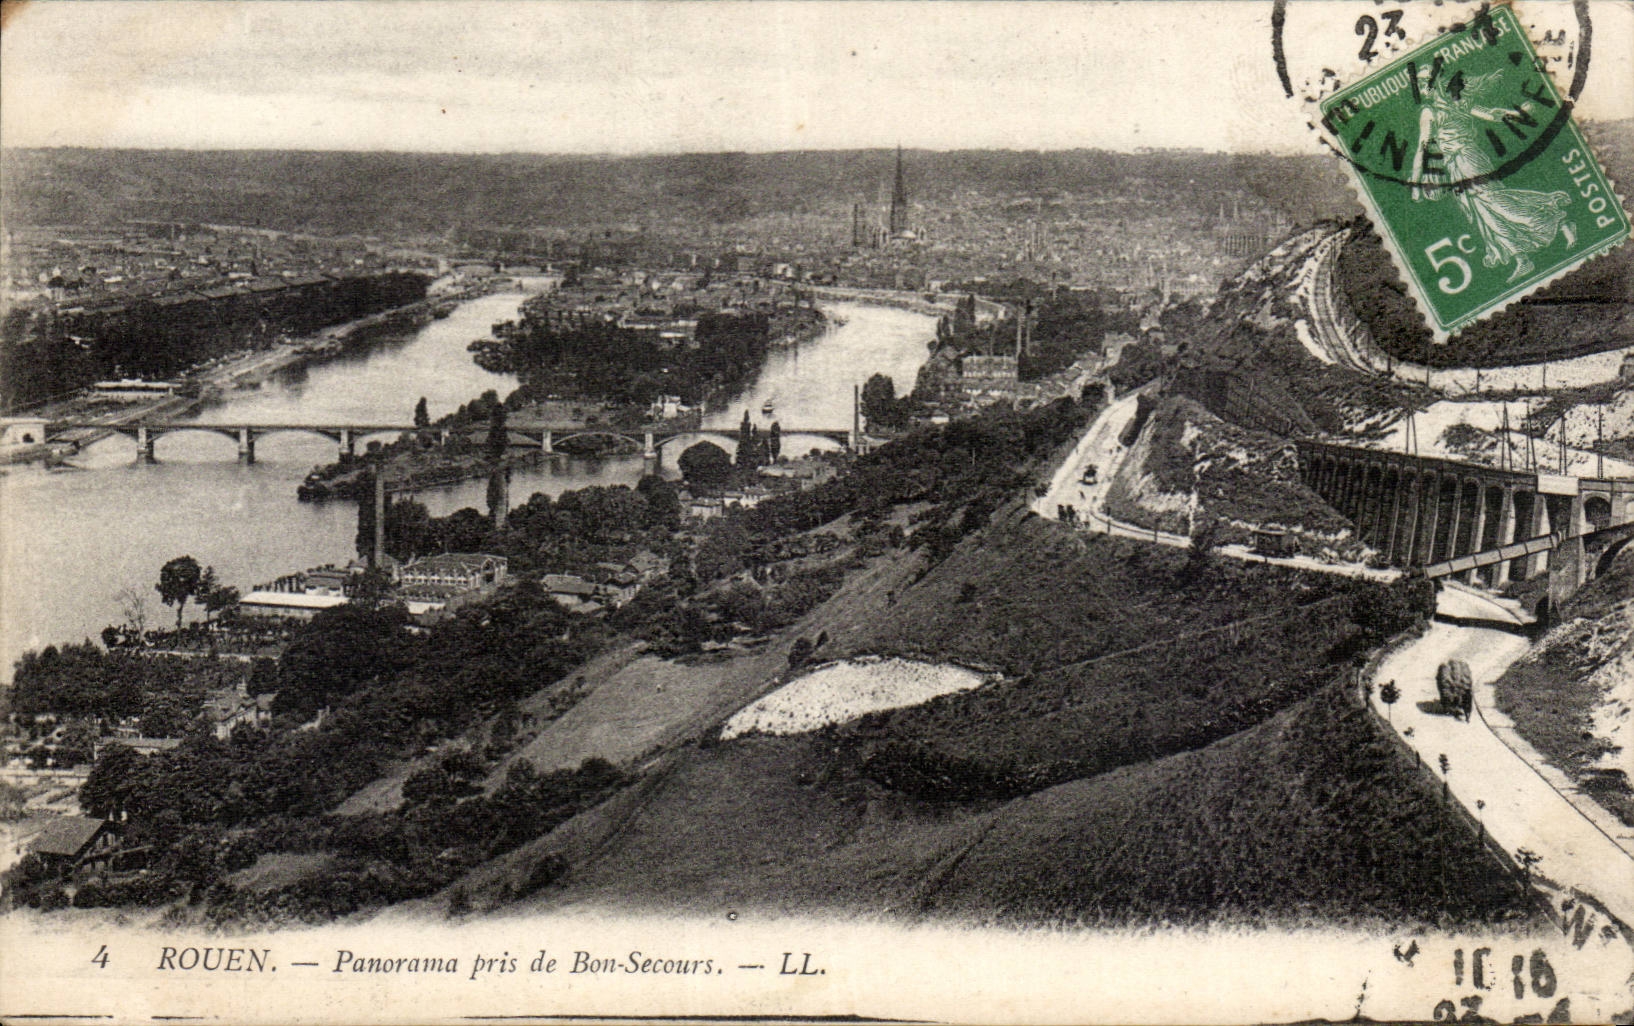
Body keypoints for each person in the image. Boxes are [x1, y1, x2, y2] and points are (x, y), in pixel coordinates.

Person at [1411, 68, 1574, 282]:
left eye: (1424, 83)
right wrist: (1518, 114)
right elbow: (1492, 114)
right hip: (1457, 165)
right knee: (1483, 212)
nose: (1421, 88)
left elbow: (1422, 148)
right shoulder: (1456, 101)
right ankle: (1521, 258)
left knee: (1494, 202)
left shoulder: (1430, 111)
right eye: (1419, 84)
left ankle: (1555, 216)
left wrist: (1415, 183)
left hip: (1467, 160)